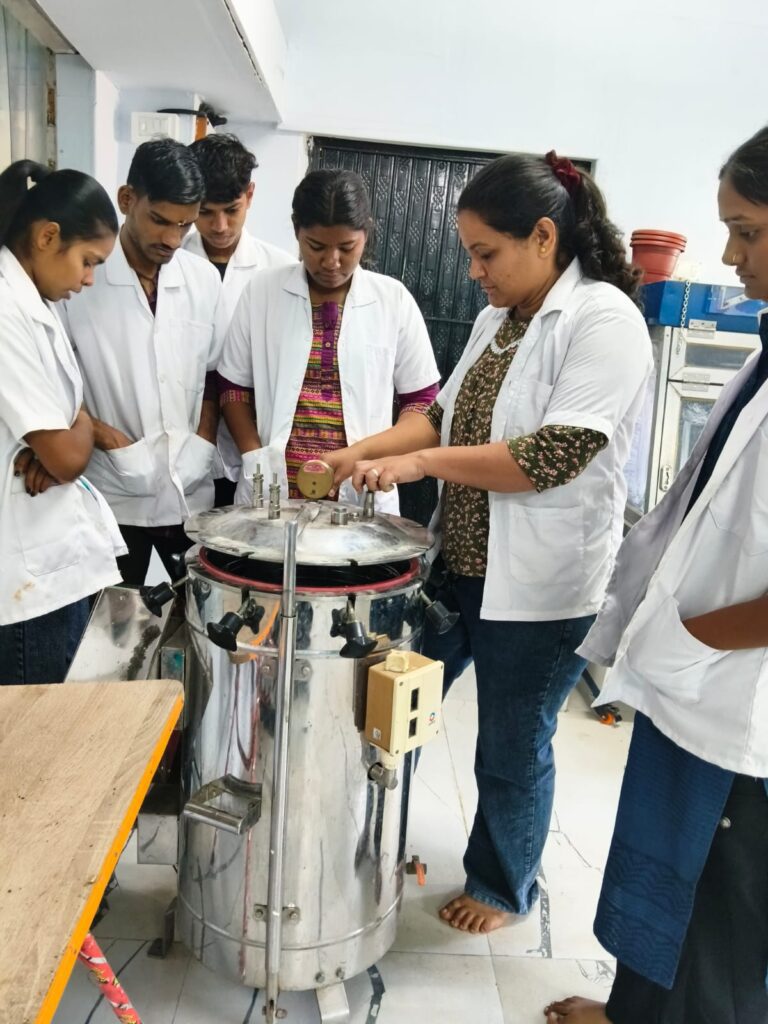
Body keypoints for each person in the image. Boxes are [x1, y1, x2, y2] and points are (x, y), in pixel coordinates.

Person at [326, 152, 652, 933]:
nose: (474, 271)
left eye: (485, 253)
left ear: (543, 236)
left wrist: (421, 464)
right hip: (460, 568)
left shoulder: (604, 320)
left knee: (511, 743)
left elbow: (552, 455)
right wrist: (357, 452)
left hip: (543, 587)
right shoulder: (494, 322)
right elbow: (437, 418)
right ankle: (363, 838)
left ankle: (504, 887)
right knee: (391, 710)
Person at [544, 128, 768, 1024]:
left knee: (722, 918)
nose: (730, 255)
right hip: (692, 679)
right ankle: (631, 1011)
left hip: (738, 697)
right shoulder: (763, 351)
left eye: (748, 231)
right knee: (665, 881)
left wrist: (687, 641)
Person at [217, 168, 440, 510]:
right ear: (297, 230)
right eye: (316, 246)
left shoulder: (392, 300)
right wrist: (255, 456)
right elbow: (233, 388)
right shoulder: (262, 292)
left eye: (347, 247)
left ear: (366, 234)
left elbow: (423, 404)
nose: (331, 262)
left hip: (361, 492)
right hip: (274, 491)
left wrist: (362, 454)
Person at [60, 138, 224, 586]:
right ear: (127, 199)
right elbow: (56, 381)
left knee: (196, 615)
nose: (172, 239)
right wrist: (108, 439)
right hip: (111, 495)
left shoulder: (203, 279)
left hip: (190, 492)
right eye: (159, 220)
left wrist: (204, 439)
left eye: (185, 225)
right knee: (112, 618)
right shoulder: (82, 280)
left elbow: (214, 373)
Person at [0, 160, 125, 684]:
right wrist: (81, 430)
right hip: (27, 580)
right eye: (87, 261)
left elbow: (67, 432)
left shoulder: (36, 300)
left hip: (51, 559)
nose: (89, 279)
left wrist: (72, 431)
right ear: (48, 236)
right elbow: (68, 456)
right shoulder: (7, 308)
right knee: (39, 728)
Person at [186, 132, 296, 506]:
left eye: (231, 210)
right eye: (205, 212)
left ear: (249, 195)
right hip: (182, 449)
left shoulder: (280, 270)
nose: (219, 226)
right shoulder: (171, 263)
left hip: (252, 449)